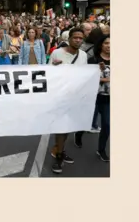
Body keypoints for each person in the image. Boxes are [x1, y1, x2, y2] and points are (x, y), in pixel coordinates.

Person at [49, 27, 88, 174]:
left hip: (76, 98)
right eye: (75, 37)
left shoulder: (83, 55)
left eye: (80, 38)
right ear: (69, 39)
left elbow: (84, 75)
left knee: (68, 128)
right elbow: (47, 73)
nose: (78, 40)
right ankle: (58, 156)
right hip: (60, 97)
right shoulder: (57, 53)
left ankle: (59, 149)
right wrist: (54, 67)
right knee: (61, 127)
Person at [74, 34, 110, 162]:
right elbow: (86, 78)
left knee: (107, 124)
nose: (109, 46)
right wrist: (103, 78)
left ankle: (101, 150)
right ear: (101, 45)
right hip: (93, 97)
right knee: (87, 121)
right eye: (106, 43)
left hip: (108, 99)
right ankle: (78, 134)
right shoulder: (93, 60)